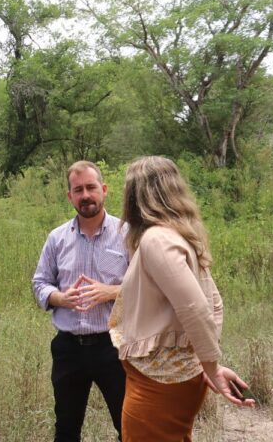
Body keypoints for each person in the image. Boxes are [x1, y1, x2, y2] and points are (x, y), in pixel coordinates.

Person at [109, 156, 255, 442]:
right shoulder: (180, 236)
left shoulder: (156, 240)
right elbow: (214, 303)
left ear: (135, 197)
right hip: (171, 378)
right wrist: (204, 364)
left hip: (159, 383)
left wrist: (210, 367)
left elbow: (196, 308)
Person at [32, 160, 128, 442]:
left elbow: (146, 288)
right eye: (78, 189)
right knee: (66, 427)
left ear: (104, 189)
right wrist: (59, 297)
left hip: (115, 346)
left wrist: (111, 292)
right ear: (70, 196)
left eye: (91, 187)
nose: (85, 195)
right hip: (68, 348)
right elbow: (39, 283)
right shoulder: (57, 238)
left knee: (128, 425)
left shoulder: (127, 233)